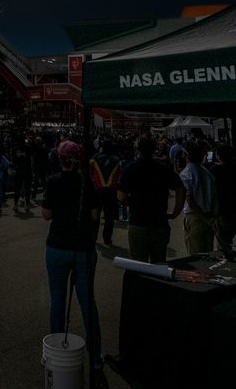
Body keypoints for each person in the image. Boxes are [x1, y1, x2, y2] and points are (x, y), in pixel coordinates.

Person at [42, 140, 104, 371]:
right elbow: (96, 214)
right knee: (87, 301)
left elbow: (46, 214)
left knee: (57, 300)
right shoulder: (86, 183)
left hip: (57, 246)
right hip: (83, 248)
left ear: (59, 159)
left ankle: (56, 351)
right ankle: (95, 354)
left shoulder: (53, 181)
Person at [117, 135, 184, 263]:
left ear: (137, 149)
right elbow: (180, 188)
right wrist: (176, 211)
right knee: (158, 263)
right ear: (154, 150)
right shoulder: (163, 168)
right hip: (159, 222)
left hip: (138, 222)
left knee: (138, 264)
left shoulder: (130, 169)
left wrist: (129, 201)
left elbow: (121, 196)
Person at [179, 140, 218, 254]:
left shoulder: (186, 174)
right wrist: (212, 218)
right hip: (209, 215)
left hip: (195, 217)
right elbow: (215, 198)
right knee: (207, 252)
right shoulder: (208, 173)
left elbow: (190, 201)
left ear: (187, 155)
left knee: (195, 255)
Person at [89, 141, 122, 247]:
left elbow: (90, 174)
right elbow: (118, 175)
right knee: (109, 217)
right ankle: (107, 238)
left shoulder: (94, 158)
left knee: (95, 215)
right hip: (111, 191)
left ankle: (94, 237)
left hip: (97, 190)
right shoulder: (116, 160)